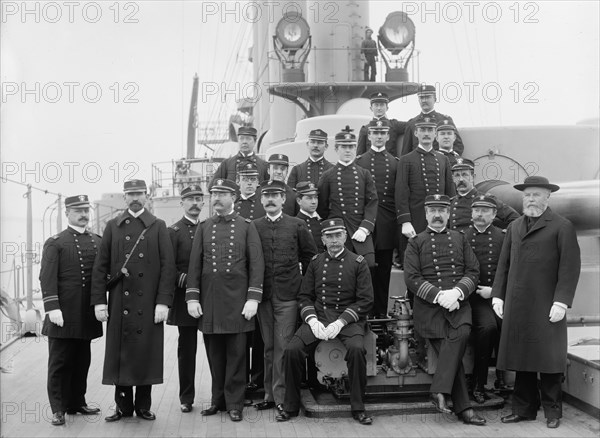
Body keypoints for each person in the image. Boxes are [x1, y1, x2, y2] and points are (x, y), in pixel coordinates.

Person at [492, 176, 581, 429]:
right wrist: (498, 294)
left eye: (536, 195)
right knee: (523, 359)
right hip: (519, 304)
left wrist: (561, 302)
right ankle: (524, 409)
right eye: (527, 195)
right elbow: (504, 265)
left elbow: (569, 268)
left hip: (547, 305)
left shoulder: (562, 226)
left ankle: (553, 413)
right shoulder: (515, 227)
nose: (530, 199)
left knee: (550, 361)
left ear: (548, 197)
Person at [91, 179, 176, 422]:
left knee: (145, 353)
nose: (135, 197)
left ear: (147, 196)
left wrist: (163, 302)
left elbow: (168, 268)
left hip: (148, 303)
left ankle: (143, 406)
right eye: (130, 194)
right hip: (120, 302)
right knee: (122, 353)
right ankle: (122, 407)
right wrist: (99, 302)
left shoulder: (158, 226)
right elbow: (100, 268)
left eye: (139, 193)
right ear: (125, 197)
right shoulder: (112, 227)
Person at [276, 219, 374, 425]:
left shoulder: (358, 262)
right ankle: (290, 406)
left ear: (345, 236)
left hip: (347, 321)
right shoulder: (316, 262)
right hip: (319, 318)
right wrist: (312, 321)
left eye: (338, 235)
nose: (334, 240)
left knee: (357, 351)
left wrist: (340, 322)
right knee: (292, 351)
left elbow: (365, 300)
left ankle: (358, 407)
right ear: (322, 239)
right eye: (329, 236)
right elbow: (305, 296)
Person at [186, 178, 265, 422]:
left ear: (233, 197)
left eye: (222, 193)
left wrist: (253, 298)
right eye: (214, 193)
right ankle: (217, 400)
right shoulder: (204, 226)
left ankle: (235, 404)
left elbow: (256, 263)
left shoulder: (246, 226)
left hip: (237, 302)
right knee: (214, 354)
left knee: (237, 354)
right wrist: (192, 298)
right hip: (210, 301)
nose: (216, 197)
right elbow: (195, 265)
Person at [403, 194, 485, 426]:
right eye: (433, 211)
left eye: (442, 211)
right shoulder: (415, 242)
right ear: (426, 214)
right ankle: (465, 410)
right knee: (453, 355)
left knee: (461, 335)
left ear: (448, 214)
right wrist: (439, 296)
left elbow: (473, 271)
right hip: (430, 310)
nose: (438, 215)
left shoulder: (460, 238)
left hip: (458, 305)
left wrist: (457, 292)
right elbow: (412, 278)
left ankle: (438, 389)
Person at [252, 179, 317, 416]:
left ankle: (281, 397)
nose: (270, 199)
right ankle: (269, 395)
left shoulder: (297, 225)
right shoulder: (254, 226)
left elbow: (311, 258)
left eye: (275, 195)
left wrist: (303, 288)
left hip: (288, 297)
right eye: (266, 195)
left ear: (283, 199)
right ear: (261, 200)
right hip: (264, 296)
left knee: (282, 347)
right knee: (268, 347)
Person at [39, 195, 102, 426]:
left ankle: (77, 402)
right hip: (62, 315)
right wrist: (52, 307)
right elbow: (46, 278)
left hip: (85, 313)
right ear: (67, 213)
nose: (83, 214)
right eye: (78, 210)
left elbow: (102, 276)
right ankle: (58, 408)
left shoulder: (97, 241)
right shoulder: (55, 242)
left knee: (82, 360)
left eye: (86, 209)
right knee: (60, 363)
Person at [356, 119, 400, 317]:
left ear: (388, 136)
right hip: (364, 226)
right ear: (369, 136)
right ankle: (364, 315)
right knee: (364, 272)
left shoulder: (395, 163)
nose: (379, 136)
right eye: (375, 132)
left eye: (383, 133)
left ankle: (381, 316)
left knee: (383, 274)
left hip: (386, 225)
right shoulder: (359, 162)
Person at [463, 195, 505, 404]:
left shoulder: (502, 237)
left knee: (512, 325)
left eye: (485, 210)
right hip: (474, 298)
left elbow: (508, 269)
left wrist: (496, 291)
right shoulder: (462, 236)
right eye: (477, 210)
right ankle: (478, 385)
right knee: (488, 328)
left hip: (497, 296)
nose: (480, 214)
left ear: (494, 214)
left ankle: (505, 381)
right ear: (472, 213)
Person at [318, 126, 378, 268]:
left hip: (360, 229)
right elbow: (322, 206)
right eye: (343, 147)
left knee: (368, 266)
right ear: (336, 149)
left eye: (351, 147)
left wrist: (365, 228)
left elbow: (372, 202)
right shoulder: (328, 175)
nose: (347, 150)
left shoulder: (364, 174)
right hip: (338, 231)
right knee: (339, 269)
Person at [166, 185, 204, 413]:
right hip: (184, 300)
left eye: (199, 199)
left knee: (215, 348)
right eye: (190, 199)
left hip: (210, 298)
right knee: (187, 350)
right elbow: (168, 269)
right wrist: (191, 284)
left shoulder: (209, 228)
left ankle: (220, 395)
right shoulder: (174, 232)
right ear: (182, 203)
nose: (195, 203)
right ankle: (186, 397)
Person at [396, 117, 455, 264]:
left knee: (439, 262)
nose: (426, 133)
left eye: (430, 130)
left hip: (439, 219)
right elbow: (401, 192)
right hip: (416, 220)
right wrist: (405, 221)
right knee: (415, 263)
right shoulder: (406, 160)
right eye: (422, 130)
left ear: (435, 134)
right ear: (416, 133)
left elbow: (450, 194)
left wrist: (451, 220)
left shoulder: (443, 160)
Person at [233, 162, 266, 396]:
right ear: (238, 181)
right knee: (242, 335)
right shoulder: (232, 206)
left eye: (253, 179)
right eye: (245, 179)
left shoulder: (263, 204)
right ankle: (241, 381)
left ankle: (258, 380)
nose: (249, 182)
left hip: (261, 273)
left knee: (260, 335)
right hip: (239, 275)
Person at [448, 158, 520, 232]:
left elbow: (515, 218)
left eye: (465, 175)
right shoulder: (451, 203)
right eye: (457, 175)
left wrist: (505, 234)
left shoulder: (488, 200)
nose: (461, 179)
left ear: (473, 177)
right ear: (453, 178)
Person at [401, 85, 464, 156]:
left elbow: (458, 146)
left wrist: (446, 161)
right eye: (421, 98)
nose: (424, 100)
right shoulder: (412, 123)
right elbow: (406, 152)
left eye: (428, 97)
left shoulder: (445, 120)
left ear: (435, 99)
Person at [356, 92, 407, 157]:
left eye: (382, 105)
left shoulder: (394, 125)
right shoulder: (365, 129)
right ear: (371, 108)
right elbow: (360, 154)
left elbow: (412, 124)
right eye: (376, 105)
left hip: (390, 164)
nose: (379, 108)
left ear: (387, 108)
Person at [295, 181, 324, 253]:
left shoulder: (321, 221)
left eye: (315, 197)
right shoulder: (295, 223)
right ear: (299, 201)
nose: (314, 202)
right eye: (309, 198)